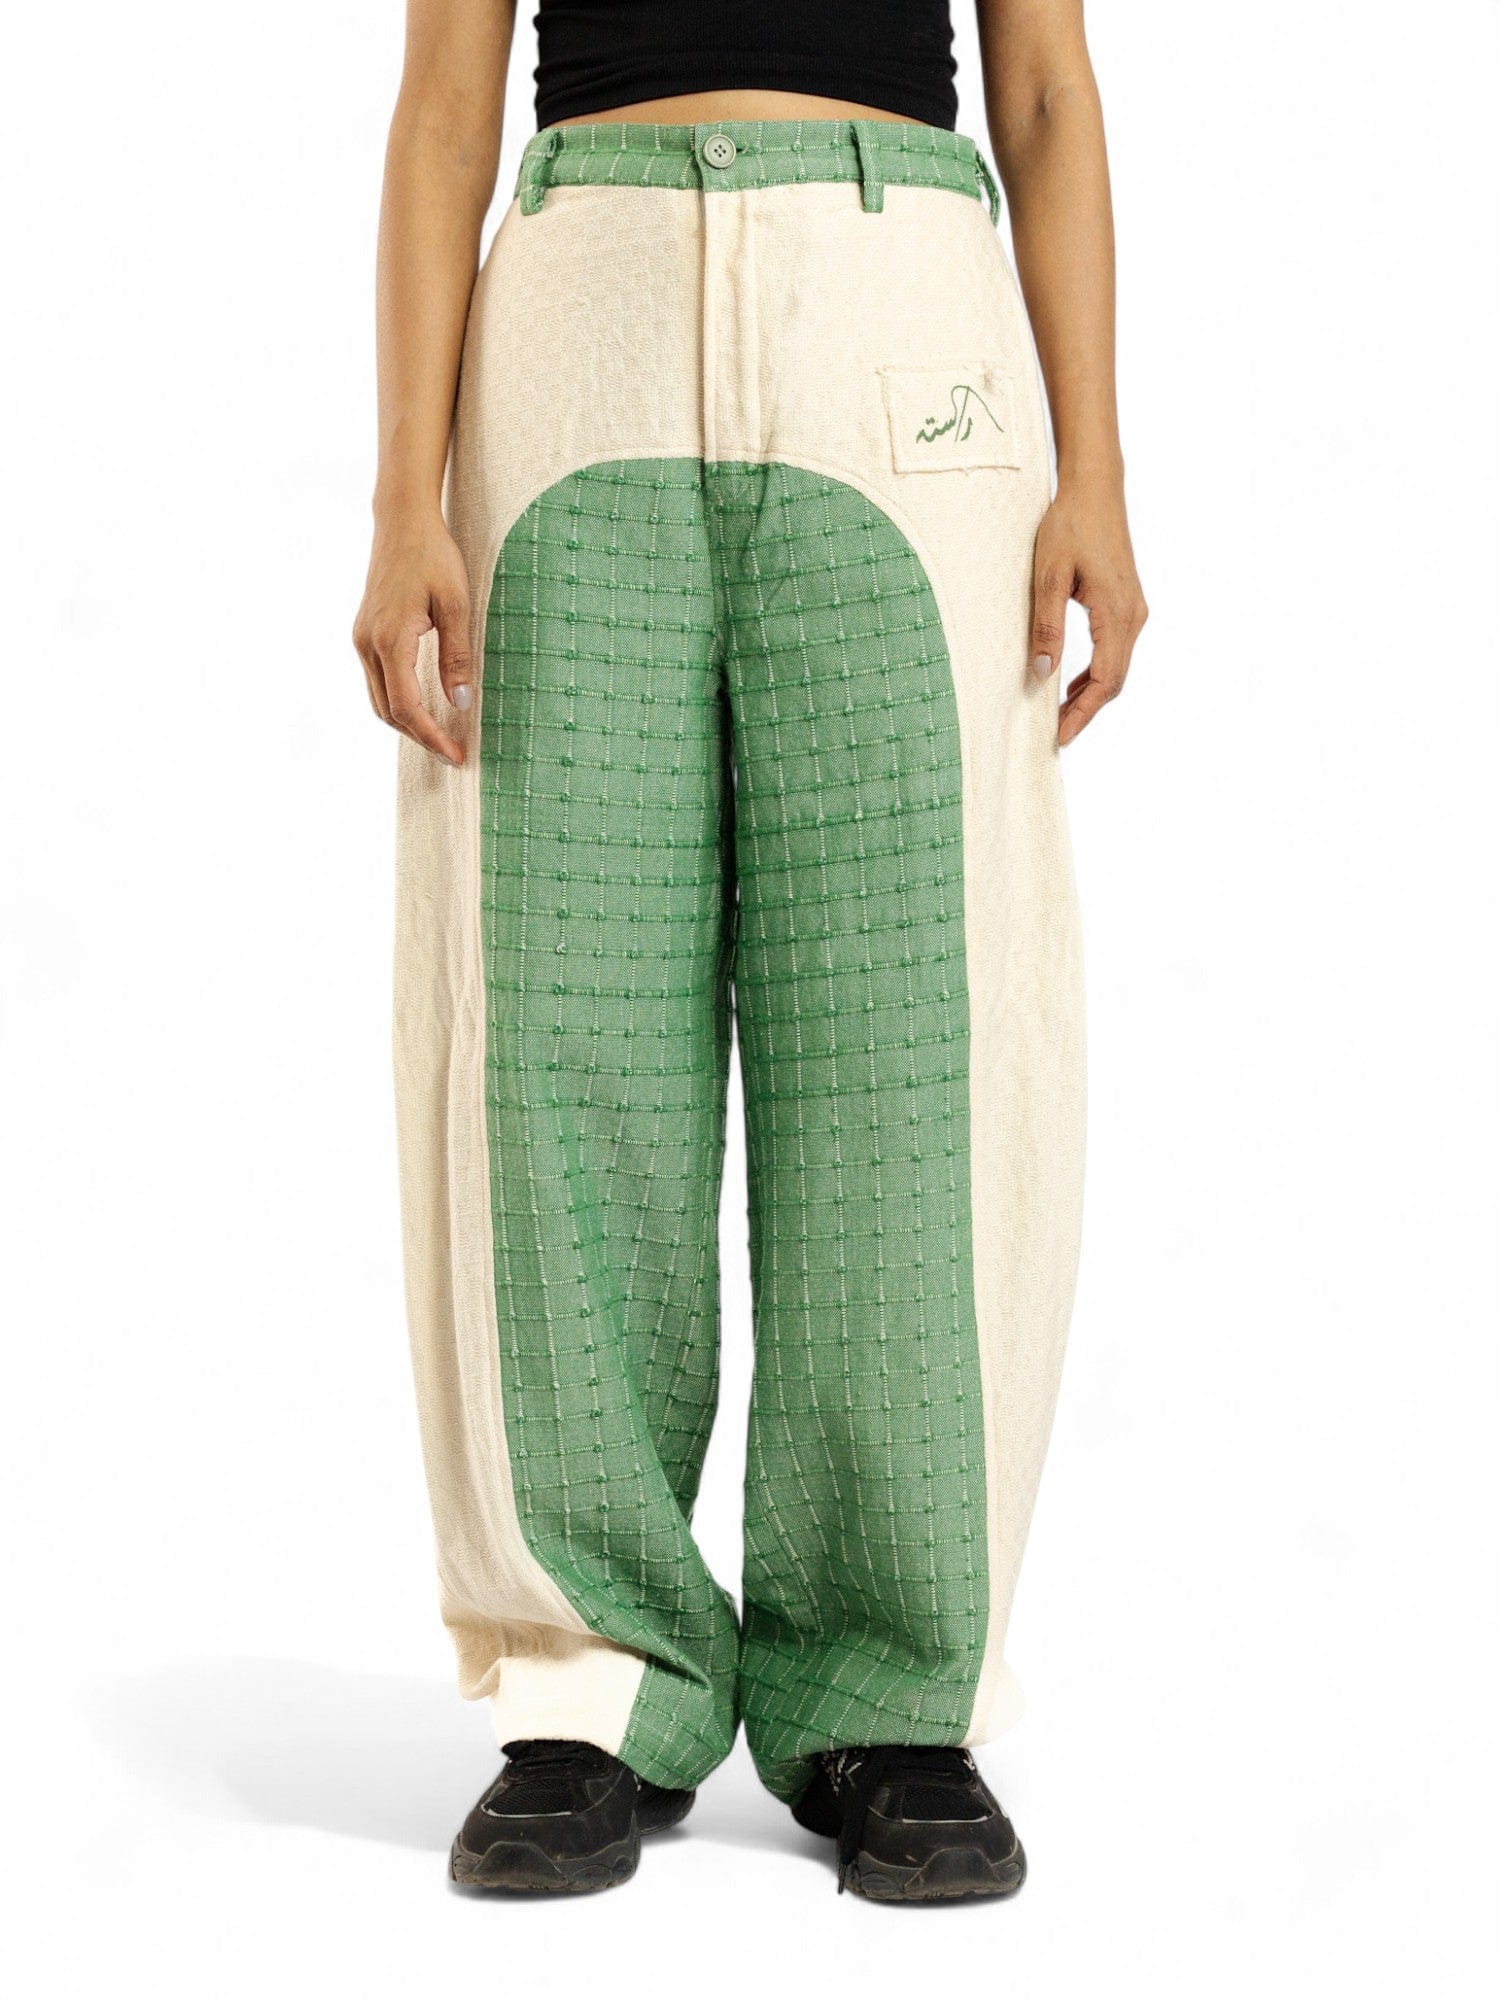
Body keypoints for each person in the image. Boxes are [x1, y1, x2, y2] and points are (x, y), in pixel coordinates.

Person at [353, 0, 1146, 1902]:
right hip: (583, 317)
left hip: (900, 320)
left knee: (912, 1040)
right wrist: (399, 500)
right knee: (555, 1027)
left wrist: (1099, 468)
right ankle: (588, 1684)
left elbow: (1045, 89)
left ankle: (893, 1688)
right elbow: (445, 107)